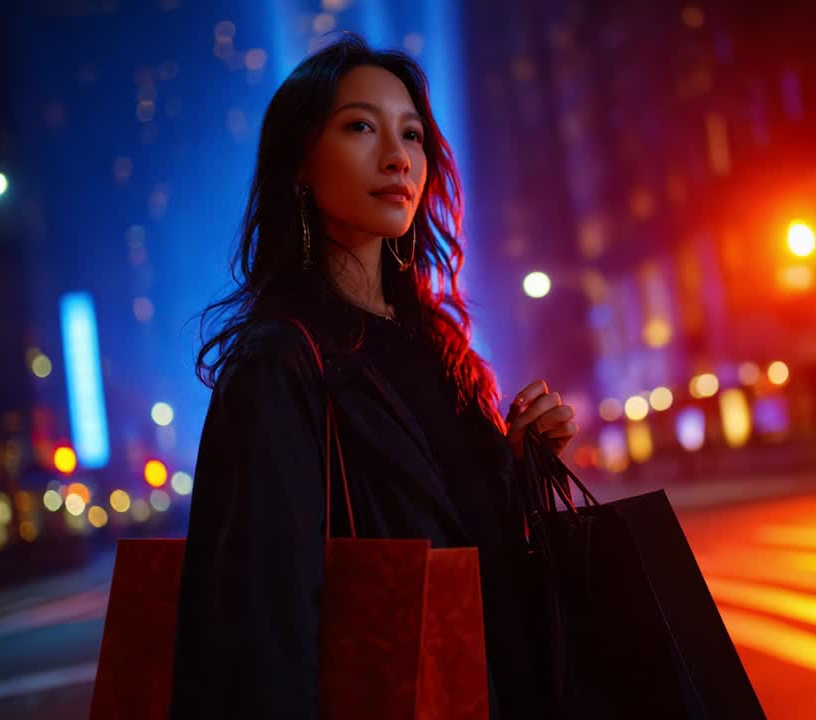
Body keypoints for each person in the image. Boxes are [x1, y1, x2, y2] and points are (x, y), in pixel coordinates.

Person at [170, 34, 577, 720]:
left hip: (498, 688)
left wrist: (516, 464)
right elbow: (267, 620)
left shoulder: (440, 347)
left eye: (412, 135)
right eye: (361, 126)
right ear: (299, 162)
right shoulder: (281, 359)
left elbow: (471, 550)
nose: (398, 157)